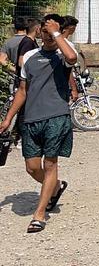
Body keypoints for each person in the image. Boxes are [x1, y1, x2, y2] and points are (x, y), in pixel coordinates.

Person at [0, 15, 77, 233]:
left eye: (53, 31)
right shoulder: (30, 56)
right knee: (32, 167)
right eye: (46, 31)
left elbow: (72, 58)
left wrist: (56, 33)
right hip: (31, 118)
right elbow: (22, 90)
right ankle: (55, 186)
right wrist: (8, 118)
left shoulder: (64, 52)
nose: (49, 35)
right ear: (40, 32)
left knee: (50, 164)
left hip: (56, 117)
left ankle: (39, 214)